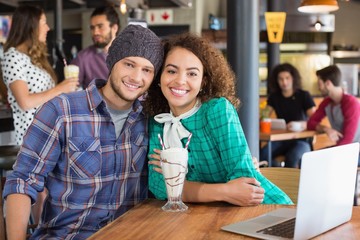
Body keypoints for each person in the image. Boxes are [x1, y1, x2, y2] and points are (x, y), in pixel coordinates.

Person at [3, 24, 164, 239]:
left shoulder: (152, 120)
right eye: (129, 64)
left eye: (147, 70)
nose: (136, 77)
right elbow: (23, 181)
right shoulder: (61, 110)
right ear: (112, 61)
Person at [143, 33, 292, 206]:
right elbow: (159, 187)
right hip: (205, 217)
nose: (180, 80)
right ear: (159, 78)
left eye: (192, 74)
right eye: (171, 71)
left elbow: (243, 184)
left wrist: (178, 183)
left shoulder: (217, 110)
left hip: (264, 207)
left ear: (203, 82)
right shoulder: (158, 122)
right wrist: (225, 191)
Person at [1, 5, 79, 146]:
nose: (48, 28)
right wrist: (60, 88)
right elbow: (25, 102)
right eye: (44, 22)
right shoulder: (12, 56)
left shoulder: (34, 59)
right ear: (31, 26)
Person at [260, 63, 316, 168]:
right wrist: (262, 115)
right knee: (263, 154)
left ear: (293, 78)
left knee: (293, 157)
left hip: (302, 140)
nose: (284, 82)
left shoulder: (304, 95)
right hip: (281, 139)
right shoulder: (274, 97)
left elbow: (315, 120)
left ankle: (291, 184)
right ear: (276, 81)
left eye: (287, 78)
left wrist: (302, 124)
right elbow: (264, 116)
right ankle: (271, 181)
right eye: (280, 79)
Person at [307, 65, 360, 165]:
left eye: (320, 84)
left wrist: (330, 155)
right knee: (308, 160)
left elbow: (348, 139)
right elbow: (310, 123)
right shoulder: (327, 102)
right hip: (342, 148)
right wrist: (326, 129)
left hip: (355, 150)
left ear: (328, 83)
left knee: (317, 162)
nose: (319, 88)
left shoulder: (350, 103)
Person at [71, 5, 120, 89]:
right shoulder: (83, 58)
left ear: (114, 28)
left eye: (100, 26)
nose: (95, 32)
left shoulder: (130, 54)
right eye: (92, 28)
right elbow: (70, 90)